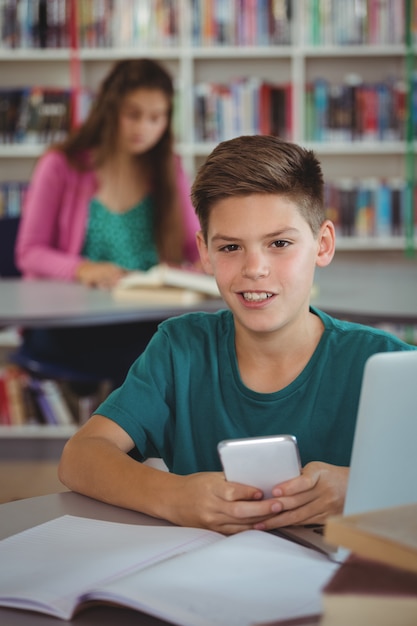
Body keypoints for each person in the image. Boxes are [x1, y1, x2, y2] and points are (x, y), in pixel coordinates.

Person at [58, 135, 416, 535]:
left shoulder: (386, 364)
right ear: (205, 253)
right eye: (230, 247)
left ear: (323, 244)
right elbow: (81, 456)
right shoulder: (180, 350)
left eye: (279, 243)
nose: (255, 268)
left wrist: (363, 489)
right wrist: (173, 496)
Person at [14, 58, 200, 383]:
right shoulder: (60, 165)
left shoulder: (169, 168)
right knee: (168, 364)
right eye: (133, 114)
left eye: (156, 118)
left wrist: (209, 262)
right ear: (108, 110)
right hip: (74, 322)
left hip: (148, 316)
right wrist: (82, 269)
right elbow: (29, 251)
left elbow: (195, 244)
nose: (144, 127)